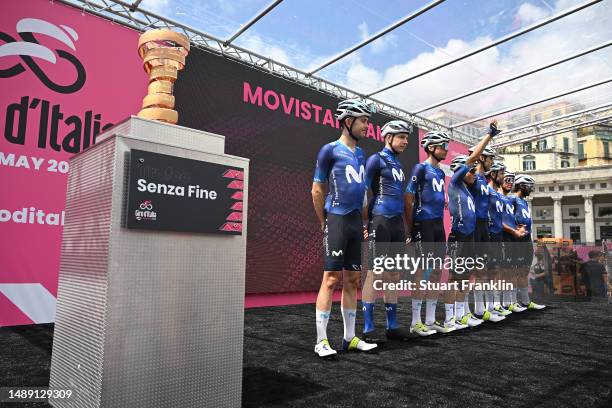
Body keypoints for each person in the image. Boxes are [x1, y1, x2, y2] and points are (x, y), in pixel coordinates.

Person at [311, 98, 378, 358]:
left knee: (352, 280)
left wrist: (363, 221)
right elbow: (317, 190)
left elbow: (361, 192)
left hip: (353, 222)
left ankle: (350, 338)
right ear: (348, 121)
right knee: (330, 279)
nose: (366, 127)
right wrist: (323, 222)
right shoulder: (329, 150)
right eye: (363, 121)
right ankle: (321, 341)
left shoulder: (361, 154)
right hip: (337, 220)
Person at [361, 119, 413, 342]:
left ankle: (392, 325)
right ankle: (368, 326)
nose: (405, 142)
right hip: (380, 221)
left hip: (396, 225)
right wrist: (365, 223)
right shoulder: (376, 159)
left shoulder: (398, 165)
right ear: (389, 137)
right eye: (401, 137)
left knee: (393, 274)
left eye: (407, 138)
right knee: (375, 274)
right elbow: (362, 192)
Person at [445, 122, 498, 329]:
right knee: (454, 277)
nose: (474, 175)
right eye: (470, 172)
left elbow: (480, 172)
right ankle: (450, 317)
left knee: (465, 277)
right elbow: (475, 158)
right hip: (458, 236)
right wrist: (488, 136)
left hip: (469, 237)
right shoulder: (456, 183)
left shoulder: (469, 189)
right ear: (461, 171)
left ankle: (461, 314)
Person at [404, 130, 450, 335]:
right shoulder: (420, 168)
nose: (446, 150)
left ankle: (430, 320)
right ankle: (415, 321)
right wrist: (412, 227)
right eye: (443, 146)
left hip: (438, 225)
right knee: (423, 272)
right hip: (423, 224)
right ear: (431, 148)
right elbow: (408, 198)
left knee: (437, 271)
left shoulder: (440, 172)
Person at [466, 141, 497, 321]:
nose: (492, 162)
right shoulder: (472, 177)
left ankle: (480, 308)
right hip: (474, 226)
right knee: (470, 270)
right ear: (482, 158)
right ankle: (462, 312)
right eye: (490, 158)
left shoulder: (484, 180)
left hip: (484, 226)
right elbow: (469, 163)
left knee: (483, 269)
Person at [475, 160, 506, 322]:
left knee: (494, 271)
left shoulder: (497, 194)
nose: (503, 176)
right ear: (493, 174)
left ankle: (492, 306)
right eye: (501, 173)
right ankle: (482, 308)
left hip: (496, 235)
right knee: (483, 271)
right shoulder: (486, 190)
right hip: (488, 234)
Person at [512, 174, 545, 310]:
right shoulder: (511, 199)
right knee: (514, 272)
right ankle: (511, 302)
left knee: (524, 271)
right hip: (515, 242)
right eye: (529, 186)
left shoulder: (524, 202)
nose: (531, 189)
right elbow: (505, 218)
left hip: (526, 241)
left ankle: (525, 301)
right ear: (521, 185)